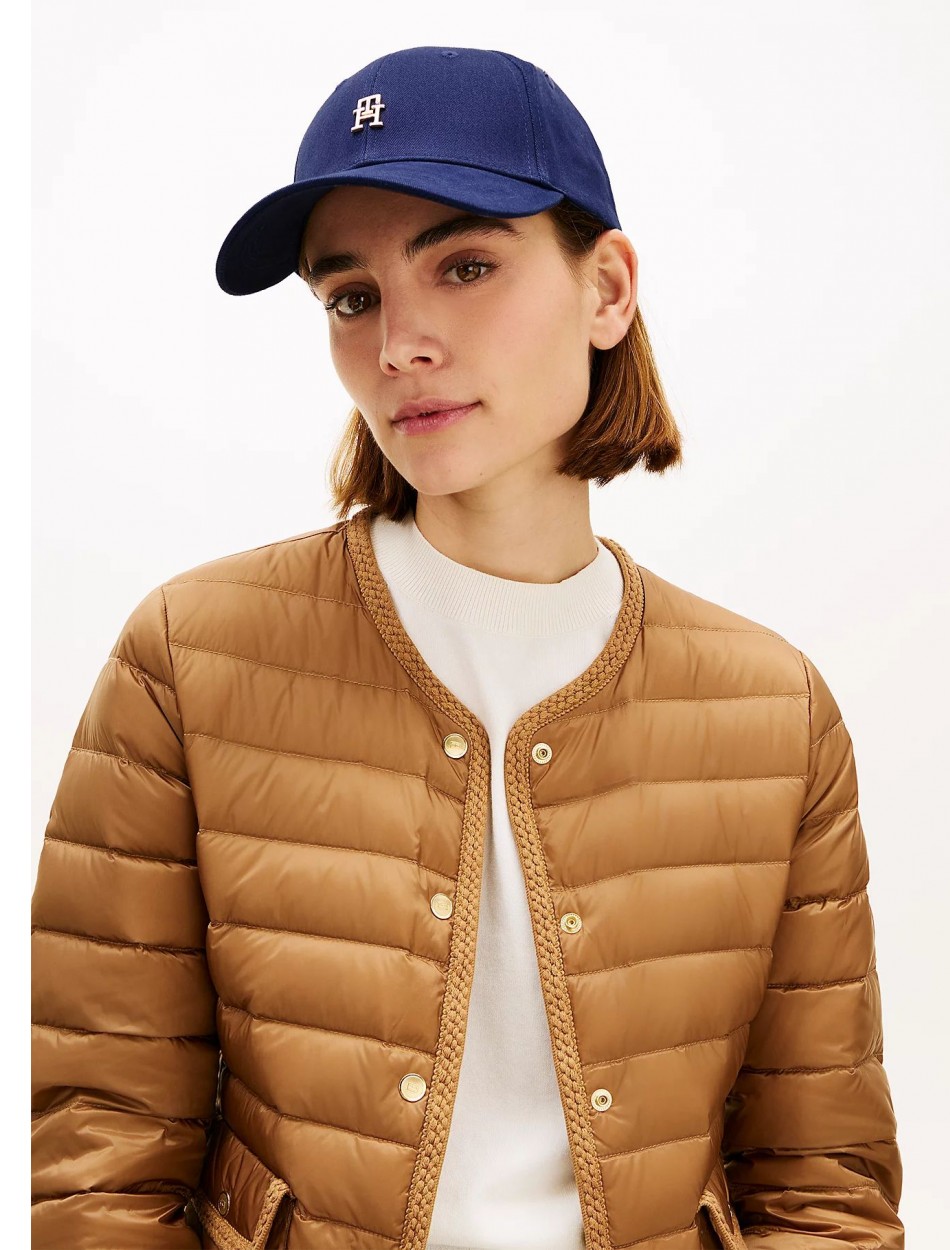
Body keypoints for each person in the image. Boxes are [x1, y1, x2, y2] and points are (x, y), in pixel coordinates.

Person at [30, 44, 905, 1250]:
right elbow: (102, 1159)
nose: (399, 343)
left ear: (607, 289)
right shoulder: (189, 660)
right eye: (352, 296)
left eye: (466, 265)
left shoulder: (772, 711)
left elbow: (824, 1187)